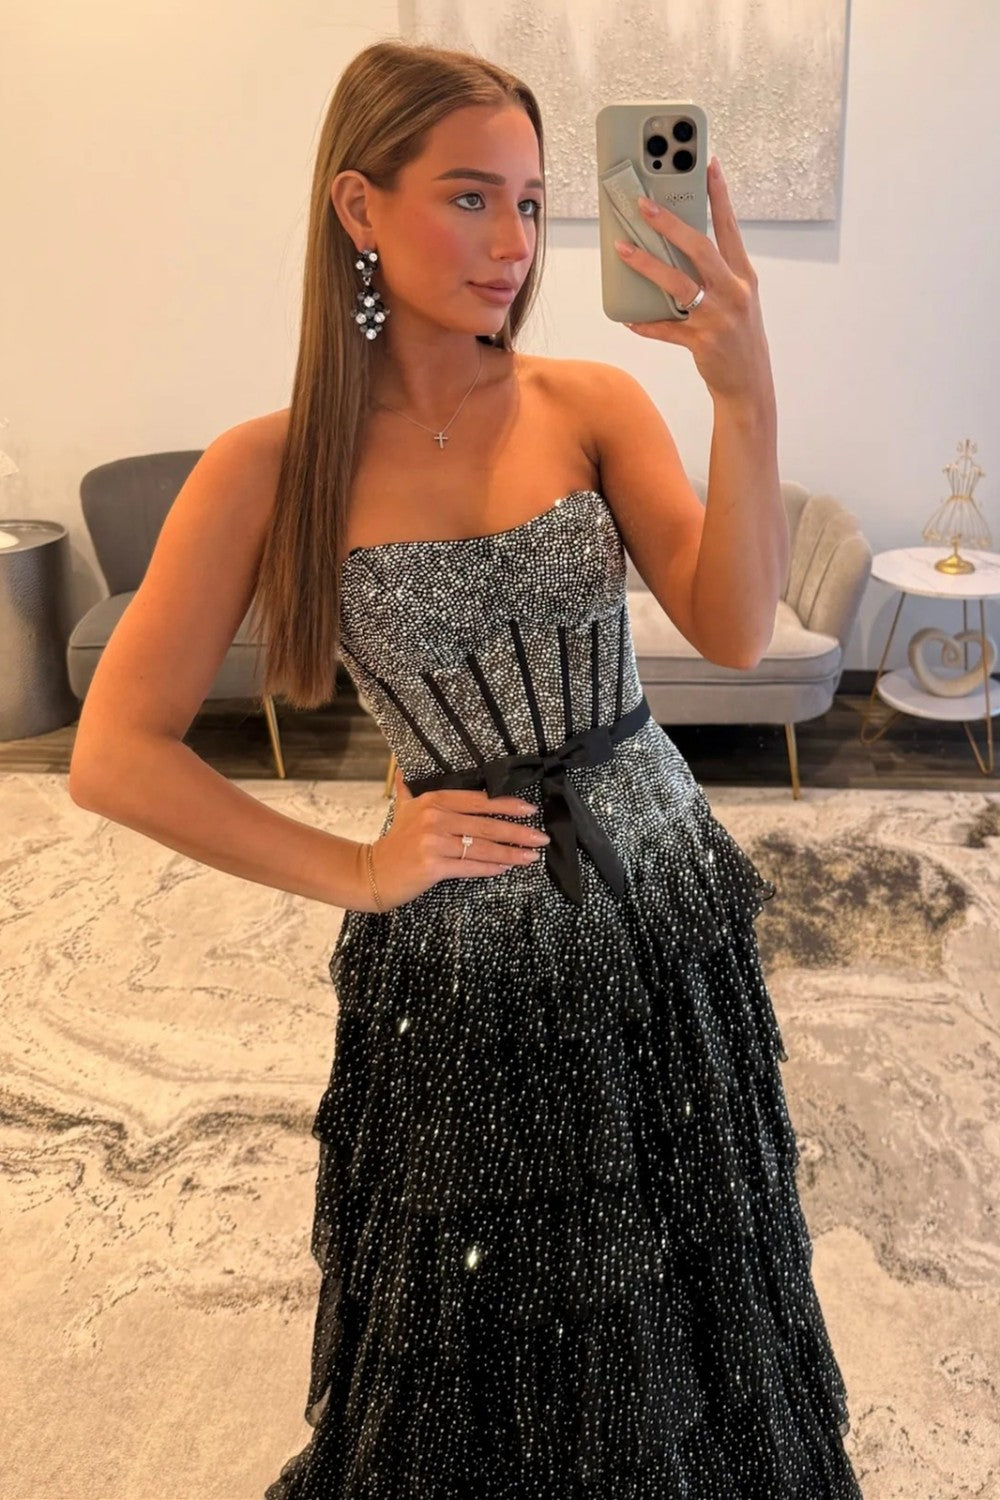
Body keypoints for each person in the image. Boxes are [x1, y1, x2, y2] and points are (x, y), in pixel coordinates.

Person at [69, 35, 863, 1500]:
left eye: (533, 202)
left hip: (657, 901)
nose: (514, 244)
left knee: (692, 1273)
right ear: (359, 207)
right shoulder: (270, 463)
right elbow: (114, 752)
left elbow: (739, 630)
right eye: (469, 198)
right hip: (463, 956)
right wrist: (361, 870)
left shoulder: (591, 405)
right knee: (480, 1309)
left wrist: (745, 399)